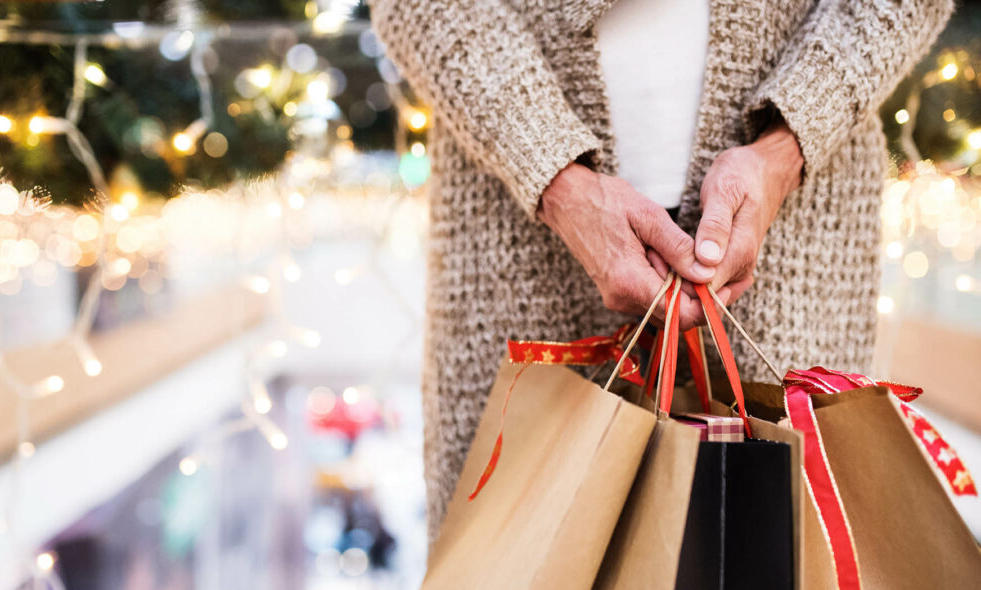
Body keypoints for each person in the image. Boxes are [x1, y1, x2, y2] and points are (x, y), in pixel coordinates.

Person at [370, 0, 954, 542]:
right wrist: (551, 173)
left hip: (795, 221)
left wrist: (788, 146)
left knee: (774, 589)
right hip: (515, 224)